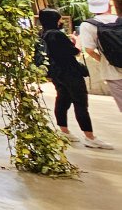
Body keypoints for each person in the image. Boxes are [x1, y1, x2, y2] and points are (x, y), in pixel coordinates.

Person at [39, 8, 112, 149]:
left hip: (56, 74)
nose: (61, 21)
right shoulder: (56, 35)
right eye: (59, 19)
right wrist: (77, 41)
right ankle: (89, 137)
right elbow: (74, 52)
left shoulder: (44, 34)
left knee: (62, 100)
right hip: (70, 73)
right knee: (80, 103)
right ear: (54, 20)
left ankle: (64, 132)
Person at [80, 0, 122, 117]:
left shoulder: (87, 25)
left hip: (112, 72)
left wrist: (103, 60)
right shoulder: (120, 20)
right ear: (108, 5)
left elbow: (89, 50)